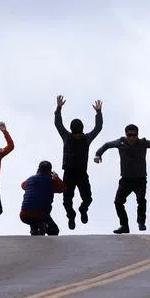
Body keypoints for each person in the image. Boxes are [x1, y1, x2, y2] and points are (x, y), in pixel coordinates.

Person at [94, 124, 150, 234]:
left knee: (141, 200)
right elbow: (107, 145)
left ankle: (141, 222)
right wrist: (98, 155)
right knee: (118, 202)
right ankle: (124, 226)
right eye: (129, 135)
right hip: (126, 180)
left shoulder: (142, 143)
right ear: (126, 135)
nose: (131, 138)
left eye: (134, 135)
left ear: (137, 135)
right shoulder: (121, 142)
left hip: (140, 179)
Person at [54, 95, 104, 230]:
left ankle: (83, 209)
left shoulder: (86, 138)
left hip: (82, 173)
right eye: (75, 133)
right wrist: (58, 108)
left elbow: (98, 128)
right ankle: (71, 215)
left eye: (79, 133)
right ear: (72, 132)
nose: (77, 136)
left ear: (82, 131)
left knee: (88, 198)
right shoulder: (67, 137)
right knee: (66, 200)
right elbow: (58, 124)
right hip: (69, 173)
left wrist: (98, 112)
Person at [19, 160, 66, 236]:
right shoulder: (51, 182)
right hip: (41, 215)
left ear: (38, 169)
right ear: (50, 172)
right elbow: (62, 188)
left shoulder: (30, 179)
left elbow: (23, 186)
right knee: (54, 231)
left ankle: (35, 229)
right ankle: (42, 226)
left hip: (24, 215)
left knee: (33, 214)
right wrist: (56, 178)